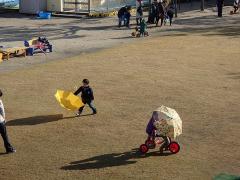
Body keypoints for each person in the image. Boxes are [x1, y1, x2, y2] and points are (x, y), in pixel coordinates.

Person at [0, 89, 16, 154]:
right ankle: (9, 149)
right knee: (5, 136)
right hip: (0, 122)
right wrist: (4, 119)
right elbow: (2, 111)